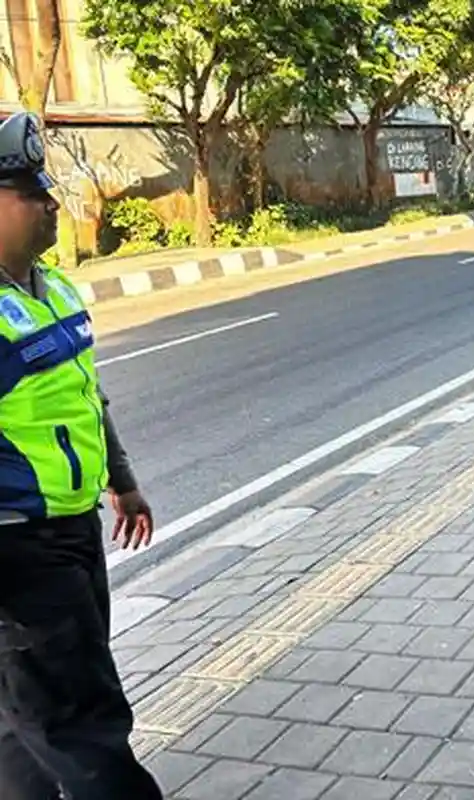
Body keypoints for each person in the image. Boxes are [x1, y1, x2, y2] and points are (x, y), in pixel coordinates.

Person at [0, 112, 161, 798]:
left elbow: (87, 398)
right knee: (83, 730)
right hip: (18, 555)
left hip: (74, 531)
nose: (52, 202)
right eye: (32, 190)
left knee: (22, 726)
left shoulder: (53, 289)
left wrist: (122, 482)